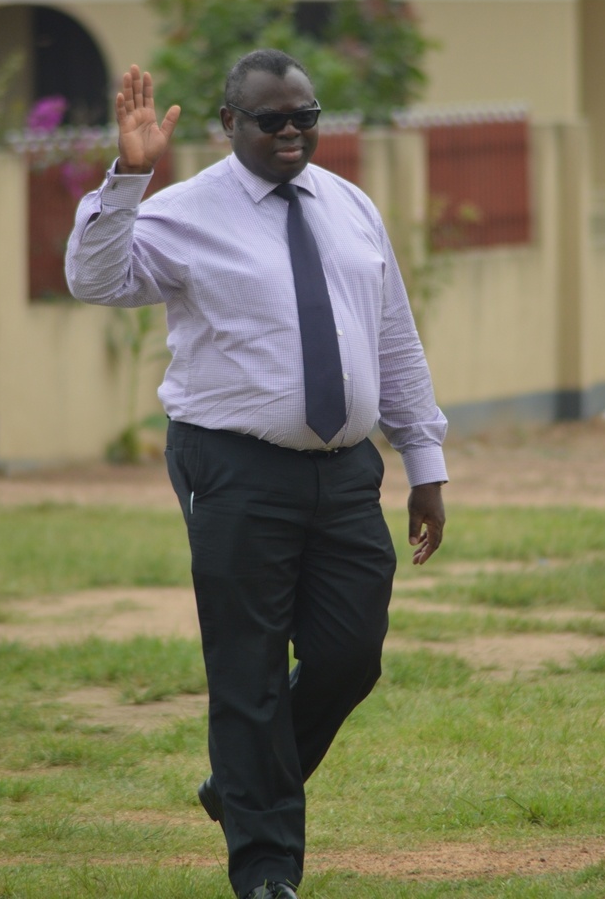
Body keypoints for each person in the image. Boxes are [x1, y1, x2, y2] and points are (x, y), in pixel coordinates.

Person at [66, 49, 447, 899]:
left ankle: (242, 781)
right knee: (250, 669)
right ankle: (267, 870)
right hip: (232, 465)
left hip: (345, 469)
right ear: (229, 123)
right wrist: (128, 179)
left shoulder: (350, 206)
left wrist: (425, 462)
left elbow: (393, 338)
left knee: (351, 655)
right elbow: (94, 279)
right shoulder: (184, 212)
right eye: (271, 119)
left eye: (305, 117)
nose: (291, 132)